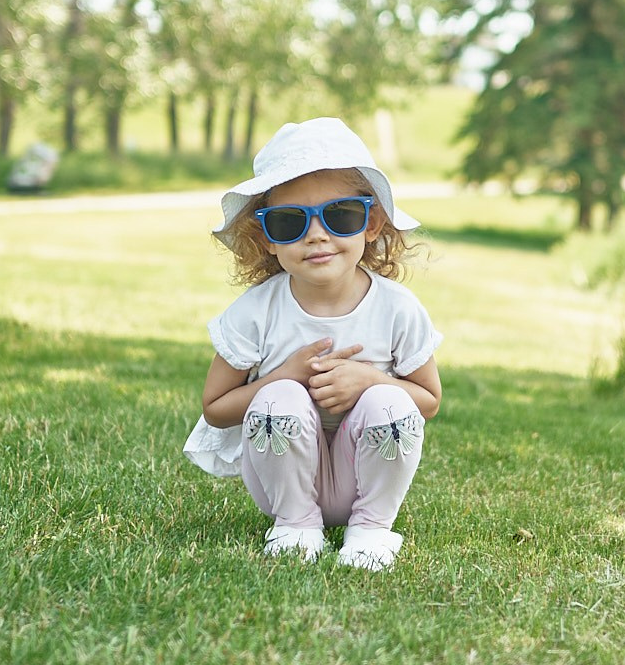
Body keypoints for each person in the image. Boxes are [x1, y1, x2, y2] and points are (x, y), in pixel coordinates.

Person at [183, 117, 442, 571]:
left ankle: (372, 529)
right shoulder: (257, 311)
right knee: (280, 395)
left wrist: (370, 381)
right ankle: (296, 527)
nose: (317, 234)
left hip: (364, 479)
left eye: (340, 215)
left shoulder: (397, 308)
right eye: (289, 222)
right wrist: (284, 376)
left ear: (371, 223)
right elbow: (215, 408)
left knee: (388, 401)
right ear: (266, 237)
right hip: (282, 484)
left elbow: (429, 400)